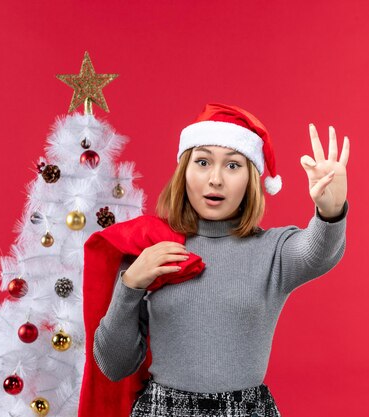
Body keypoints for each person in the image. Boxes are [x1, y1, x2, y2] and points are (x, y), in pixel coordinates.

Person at [91, 103, 349, 417]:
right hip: (163, 410)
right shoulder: (152, 248)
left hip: (246, 411)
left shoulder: (272, 250)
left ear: (251, 179)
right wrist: (130, 285)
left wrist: (330, 212)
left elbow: (318, 252)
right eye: (202, 162)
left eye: (232, 166)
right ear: (184, 172)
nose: (215, 179)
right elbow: (113, 365)